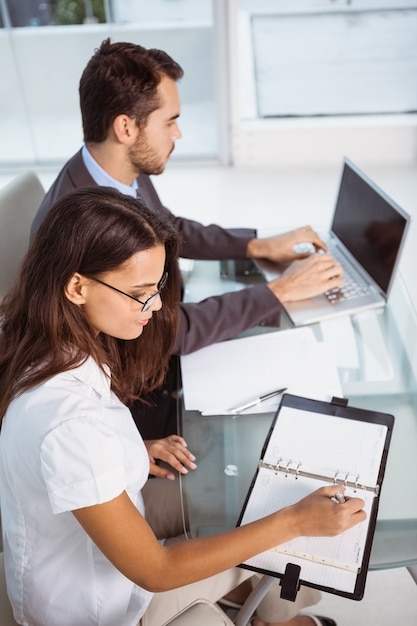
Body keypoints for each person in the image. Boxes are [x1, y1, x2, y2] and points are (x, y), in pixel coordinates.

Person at [0, 187, 365, 626]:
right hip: (107, 609)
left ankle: (270, 615)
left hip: (104, 542)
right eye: (140, 293)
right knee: (281, 521)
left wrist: (129, 447)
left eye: (157, 288)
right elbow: (156, 570)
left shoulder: (41, 336)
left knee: (256, 497)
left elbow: (56, 452)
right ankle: (270, 615)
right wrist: (292, 523)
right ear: (76, 287)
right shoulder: (70, 424)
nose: (155, 307)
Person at [30, 38, 344, 440]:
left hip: (159, 328)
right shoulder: (90, 222)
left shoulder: (110, 167)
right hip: (135, 380)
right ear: (126, 127)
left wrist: (254, 245)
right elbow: (167, 330)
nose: (178, 133)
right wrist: (279, 291)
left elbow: (167, 225)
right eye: (170, 120)